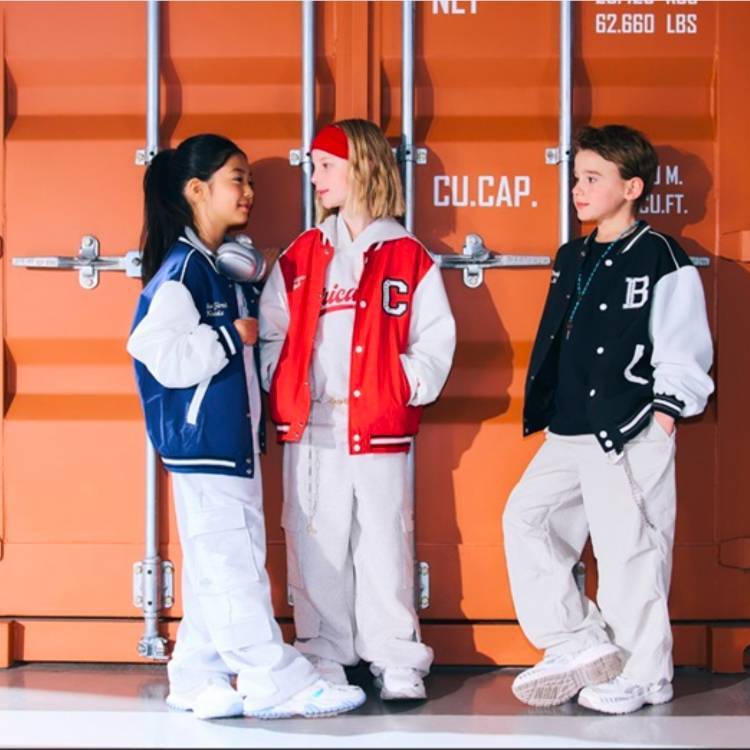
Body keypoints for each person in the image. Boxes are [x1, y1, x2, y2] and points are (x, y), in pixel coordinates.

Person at [126, 133, 366, 720]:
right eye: (238, 178)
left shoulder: (218, 266)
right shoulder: (184, 271)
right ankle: (274, 681)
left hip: (226, 445)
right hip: (206, 445)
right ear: (196, 190)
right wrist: (230, 336)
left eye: (250, 180)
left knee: (217, 564)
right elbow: (155, 351)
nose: (250, 191)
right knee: (235, 565)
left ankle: (197, 677)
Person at [502, 124, 714, 715]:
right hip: (569, 429)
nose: (578, 189)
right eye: (576, 178)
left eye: (593, 178)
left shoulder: (660, 255)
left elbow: (684, 344)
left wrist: (664, 416)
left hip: (629, 427)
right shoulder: (572, 255)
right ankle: (579, 642)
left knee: (629, 552)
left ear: (632, 187)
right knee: (526, 518)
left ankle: (646, 675)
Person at [259, 119, 456, 700]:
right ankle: (323, 651)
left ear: (362, 167)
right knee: (315, 540)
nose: (315, 177)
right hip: (313, 424)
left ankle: (396, 658)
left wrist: (400, 385)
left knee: (384, 541)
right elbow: (272, 332)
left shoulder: (407, 255)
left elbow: (434, 339)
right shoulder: (301, 254)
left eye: (326, 165)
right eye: (314, 166)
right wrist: (282, 381)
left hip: (377, 425)